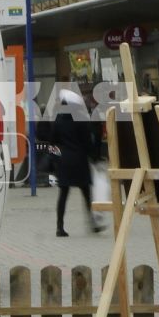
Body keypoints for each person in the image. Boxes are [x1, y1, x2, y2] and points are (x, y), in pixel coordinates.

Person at [50, 85, 105, 236]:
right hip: (79, 160)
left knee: (63, 194)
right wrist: (94, 157)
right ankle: (93, 223)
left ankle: (59, 227)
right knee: (86, 193)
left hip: (64, 161)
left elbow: (53, 141)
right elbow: (87, 141)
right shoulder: (80, 120)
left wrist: (55, 158)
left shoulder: (58, 121)